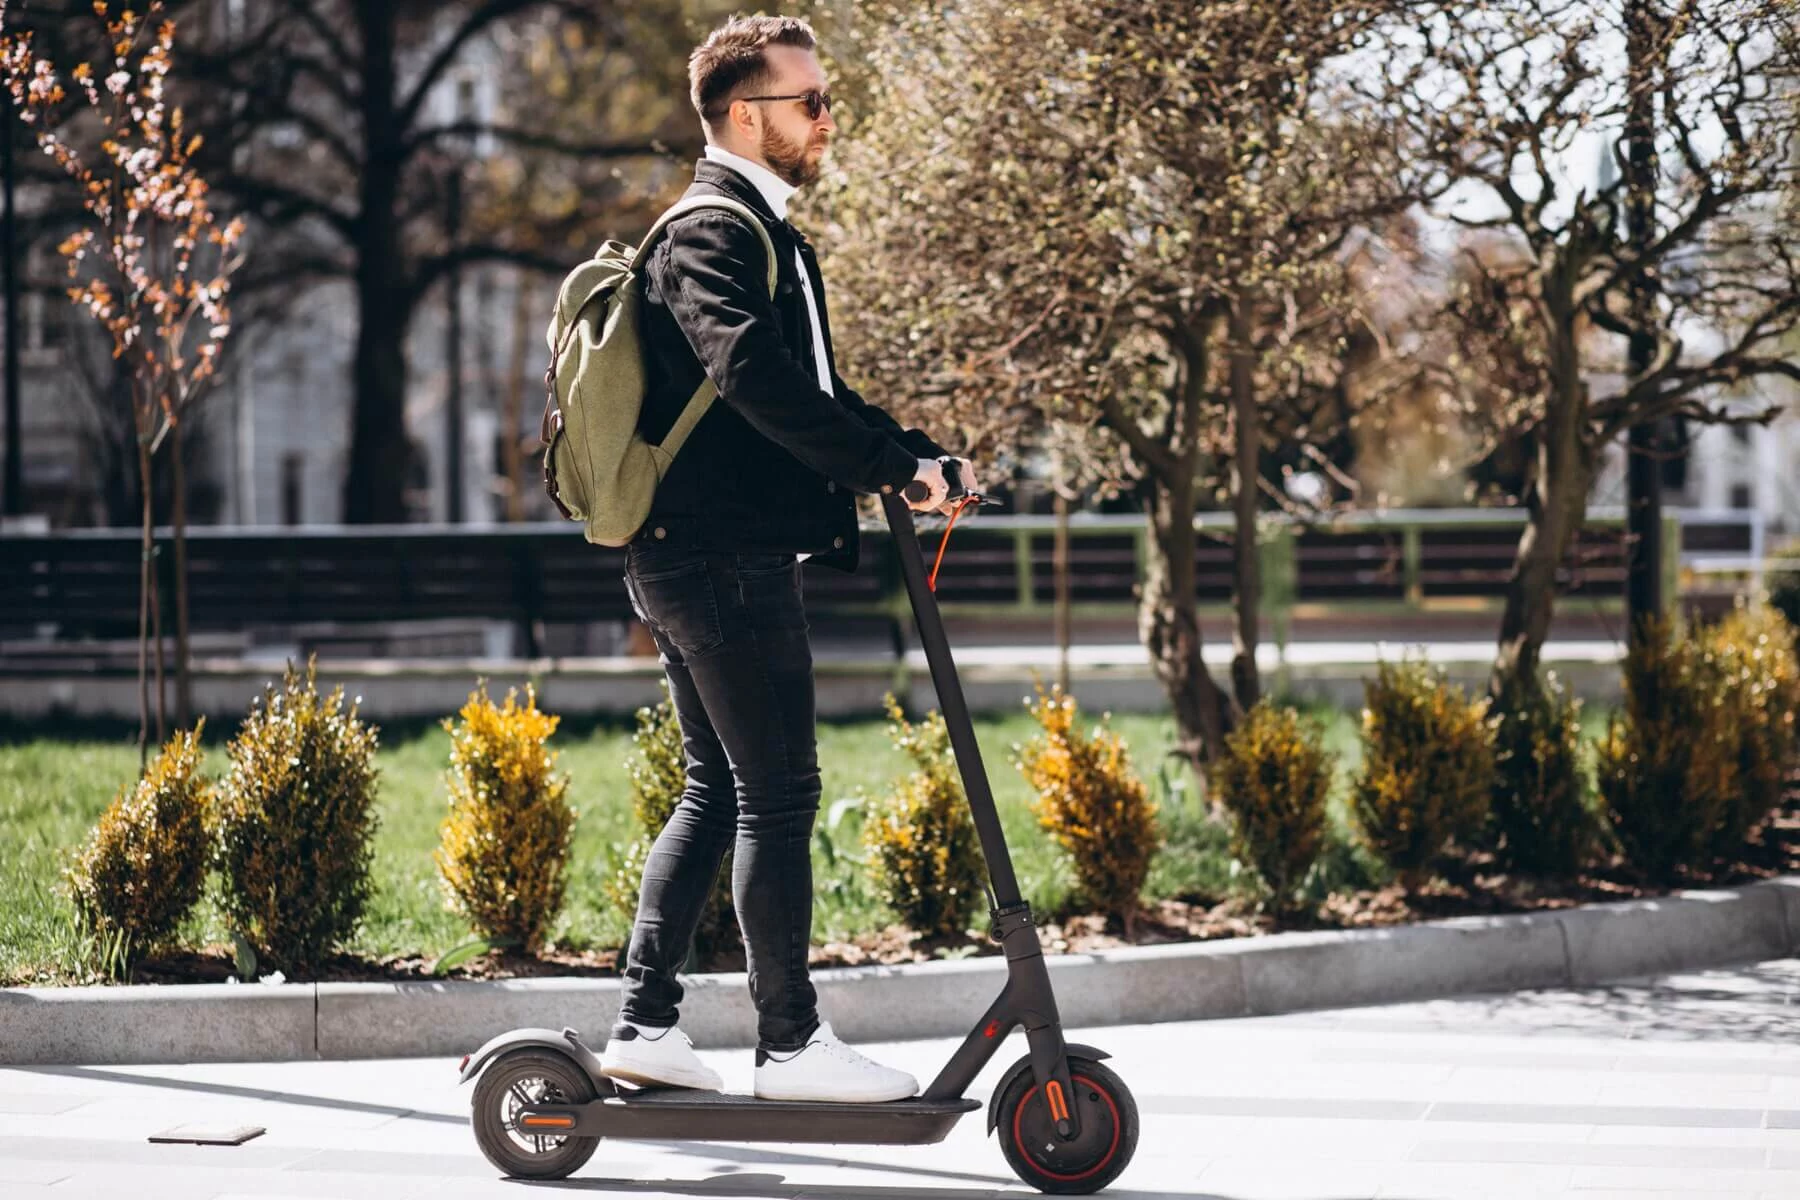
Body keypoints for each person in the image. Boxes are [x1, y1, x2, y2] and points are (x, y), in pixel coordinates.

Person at [598, 15, 979, 1105]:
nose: (826, 117)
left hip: (703, 556)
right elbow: (757, 379)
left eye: (825, 97)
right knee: (777, 794)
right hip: (719, 561)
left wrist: (907, 455)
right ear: (741, 113)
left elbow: (807, 386)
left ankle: (648, 1026)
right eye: (809, 101)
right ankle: (790, 1046)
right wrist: (878, 467)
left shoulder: (759, 230)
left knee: (718, 788)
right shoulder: (709, 234)